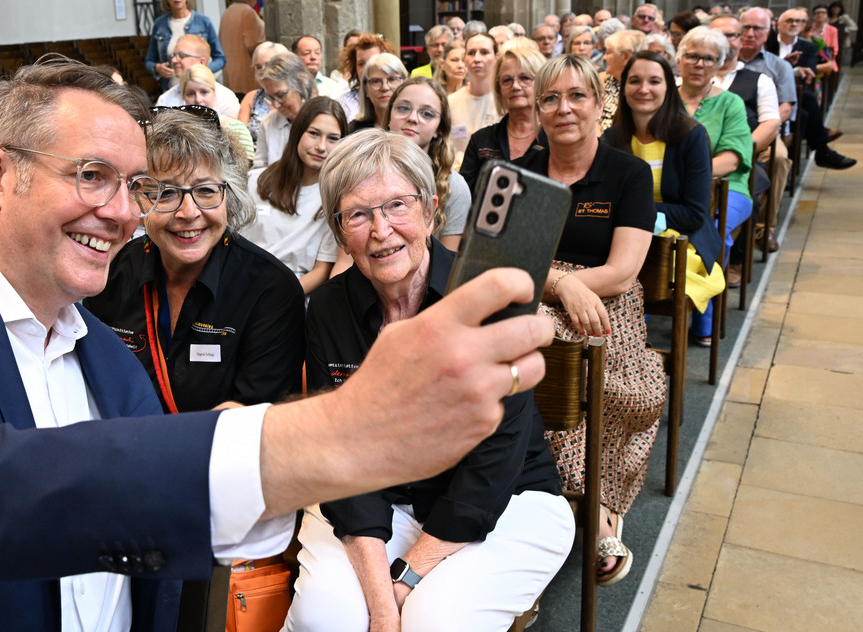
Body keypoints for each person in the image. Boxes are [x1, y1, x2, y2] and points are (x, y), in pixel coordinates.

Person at [0, 57, 554, 631]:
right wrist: (342, 433)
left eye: (132, 186)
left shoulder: (108, 368)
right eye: (95, 176)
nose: (125, 213)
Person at [285, 129, 573, 632]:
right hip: (377, 496)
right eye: (357, 214)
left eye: (397, 204)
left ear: (431, 209)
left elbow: (495, 458)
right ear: (338, 230)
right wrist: (380, 607)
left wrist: (407, 582)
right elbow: (341, 453)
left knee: (433, 622)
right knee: (325, 619)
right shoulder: (329, 309)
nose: (380, 230)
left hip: (504, 500)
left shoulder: (485, 295)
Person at [522, 54, 664, 588]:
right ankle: (591, 509)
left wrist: (572, 285)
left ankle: (585, 499)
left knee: (601, 379)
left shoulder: (626, 173)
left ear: (600, 106)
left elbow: (624, 272)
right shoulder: (523, 174)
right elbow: (508, 260)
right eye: (551, 98)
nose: (565, 108)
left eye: (577, 96)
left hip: (609, 301)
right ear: (538, 109)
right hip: (535, 295)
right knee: (549, 358)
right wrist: (561, 283)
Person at [86, 107, 303, 413]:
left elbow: (253, 417)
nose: (188, 213)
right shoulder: (111, 271)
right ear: (140, 197)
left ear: (229, 194)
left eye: (205, 190)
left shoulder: (271, 290)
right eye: (167, 193)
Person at [604, 51, 724, 311]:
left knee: (645, 269)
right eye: (634, 81)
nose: (643, 89)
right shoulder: (612, 138)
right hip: (626, 237)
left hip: (681, 239)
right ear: (623, 87)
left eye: (654, 81)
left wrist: (633, 212)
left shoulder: (691, 136)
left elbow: (694, 213)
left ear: (669, 88)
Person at [675, 27, 753, 341]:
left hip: (728, 187)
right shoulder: (663, 98)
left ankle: (703, 322)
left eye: (708, 58)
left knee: (711, 231)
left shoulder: (730, 103)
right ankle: (647, 309)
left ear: (719, 64)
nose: (699, 63)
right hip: (670, 189)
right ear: (679, 59)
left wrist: (687, 178)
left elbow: (733, 159)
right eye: (692, 56)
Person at [240, 97, 346, 294]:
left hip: (293, 293)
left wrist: (279, 298)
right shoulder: (254, 181)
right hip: (243, 284)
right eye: (313, 133)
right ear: (297, 132)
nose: (321, 147)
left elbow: (322, 270)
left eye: (332, 138)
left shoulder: (335, 199)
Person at [709, 14, 785, 253]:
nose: (724, 40)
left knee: (758, 178)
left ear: (740, 41)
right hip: (698, 156)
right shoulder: (687, 78)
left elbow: (771, 123)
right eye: (717, 34)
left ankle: (746, 249)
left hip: (742, 155)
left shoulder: (759, 80)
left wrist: (739, 150)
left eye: (731, 35)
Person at [385, 77, 470, 250]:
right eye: (403, 108)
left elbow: (448, 264)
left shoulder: (454, 187)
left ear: (439, 129)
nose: (412, 118)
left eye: (427, 114)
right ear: (389, 117)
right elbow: (346, 261)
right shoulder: (362, 174)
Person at [767, 8, 853, 168]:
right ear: (779, 24)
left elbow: (810, 71)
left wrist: (792, 70)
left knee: (804, 114)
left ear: (803, 25)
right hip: (769, 90)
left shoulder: (808, 46)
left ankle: (791, 166)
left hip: (794, 93)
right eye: (790, 20)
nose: (794, 24)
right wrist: (786, 65)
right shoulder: (768, 43)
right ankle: (822, 151)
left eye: (798, 21)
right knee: (808, 101)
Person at [462, 45, 550, 186]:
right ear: (499, 89)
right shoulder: (481, 140)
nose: (515, 86)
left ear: (543, 83)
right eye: (507, 80)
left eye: (525, 78)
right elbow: (465, 199)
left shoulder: (556, 139)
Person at [144, 0, 225, 91]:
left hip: (201, 85)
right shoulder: (159, 24)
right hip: (172, 87)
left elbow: (220, 58)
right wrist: (157, 68)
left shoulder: (203, 22)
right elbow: (149, 61)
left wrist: (203, 69)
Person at [176, 65, 256, 163]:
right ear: (184, 97)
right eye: (190, 94)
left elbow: (246, 171)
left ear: (214, 93)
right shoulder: (178, 133)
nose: (198, 99)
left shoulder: (235, 128)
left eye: (204, 92)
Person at [447, 33, 502, 167]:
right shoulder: (450, 102)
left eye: (484, 52)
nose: (477, 59)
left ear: (497, 57)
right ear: (465, 58)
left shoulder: (504, 102)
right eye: (471, 53)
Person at [154, 35, 242, 118]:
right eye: (174, 55)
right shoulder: (165, 100)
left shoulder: (225, 98)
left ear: (202, 62)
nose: (174, 60)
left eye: (182, 55)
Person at [254, 52, 316, 168]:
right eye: (270, 98)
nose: (276, 105)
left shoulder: (322, 118)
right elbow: (259, 167)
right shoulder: (269, 122)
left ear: (301, 85)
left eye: (281, 95)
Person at [218, 0, 265, 94]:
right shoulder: (248, 12)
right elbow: (253, 46)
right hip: (247, 83)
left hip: (230, 80)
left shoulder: (227, 12)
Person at [336, 33, 394, 121]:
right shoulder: (344, 103)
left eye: (373, 61)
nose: (367, 68)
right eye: (361, 64)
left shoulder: (400, 98)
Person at [598, 30, 647, 131]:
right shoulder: (600, 81)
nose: (604, 57)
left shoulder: (646, 89)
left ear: (625, 56)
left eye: (608, 52)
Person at [349, 52, 407, 133]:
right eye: (376, 81)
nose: (385, 87)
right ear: (366, 89)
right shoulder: (354, 131)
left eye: (392, 79)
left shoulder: (413, 126)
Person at [237, 41, 287, 133]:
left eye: (269, 65)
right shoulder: (251, 97)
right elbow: (240, 136)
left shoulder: (295, 97)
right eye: (258, 67)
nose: (263, 71)